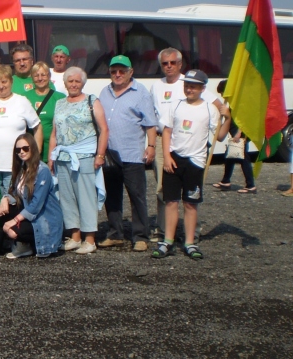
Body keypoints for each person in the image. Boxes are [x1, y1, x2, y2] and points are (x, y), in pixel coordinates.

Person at [153, 70, 231, 261]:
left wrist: (227, 118)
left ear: (203, 88)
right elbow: (167, 132)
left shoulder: (209, 110)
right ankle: (168, 241)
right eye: (187, 85)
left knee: (190, 203)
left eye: (194, 86)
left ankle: (190, 242)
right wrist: (167, 156)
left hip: (196, 162)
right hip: (174, 159)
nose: (189, 89)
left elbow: (219, 136)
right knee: (170, 201)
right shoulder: (176, 105)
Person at [98, 55, 157, 252]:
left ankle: (141, 236)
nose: (117, 74)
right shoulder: (104, 92)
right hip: (110, 154)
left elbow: (150, 124)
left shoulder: (141, 93)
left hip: (132, 154)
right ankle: (116, 233)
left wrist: (151, 147)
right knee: (112, 196)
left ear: (130, 72)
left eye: (122, 71)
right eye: (114, 71)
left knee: (137, 196)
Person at [49, 67, 109, 255]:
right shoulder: (59, 103)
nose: (73, 84)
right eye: (70, 81)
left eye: (77, 81)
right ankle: (74, 236)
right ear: (65, 83)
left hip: (85, 156)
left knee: (86, 197)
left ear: (82, 83)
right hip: (63, 157)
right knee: (67, 197)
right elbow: (54, 134)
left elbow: (104, 129)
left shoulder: (92, 101)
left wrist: (100, 155)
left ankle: (89, 239)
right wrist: (51, 157)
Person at [0, 65, 42, 195]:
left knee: (14, 199)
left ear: (11, 81)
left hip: (16, 164)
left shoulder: (22, 101)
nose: (1, 86)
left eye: (4, 82)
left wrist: (35, 154)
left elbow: (37, 127)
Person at [0, 133, 62, 258]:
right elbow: (17, 194)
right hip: (31, 215)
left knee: (12, 230)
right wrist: (5, 199)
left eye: (25, 148)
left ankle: (32, 244)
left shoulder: (43, 171)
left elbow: (36, 205)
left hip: (44, 218)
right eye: (18, 150)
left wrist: (13, 222)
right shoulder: (22, 169)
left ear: (33, 148)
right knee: (2, 211)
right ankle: (24, 245)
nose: (21, 152)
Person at [213, 80, 255, 193]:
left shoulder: (239, 102)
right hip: (236, 133)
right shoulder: (232, 102)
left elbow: (245, 119)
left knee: (243, 158)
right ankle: (226, 181)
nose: (221, 95)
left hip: (241, 134)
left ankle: (251, 185)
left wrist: (239, 133)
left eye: (222, 92)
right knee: (229, 157)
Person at [24, 62, 65, 162]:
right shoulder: (24, 98)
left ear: (49, 76)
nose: (40, 78)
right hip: (31, 149)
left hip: (54, 149)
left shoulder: (60, 98)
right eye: (36, 75)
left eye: (43, 75)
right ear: (32, 78)